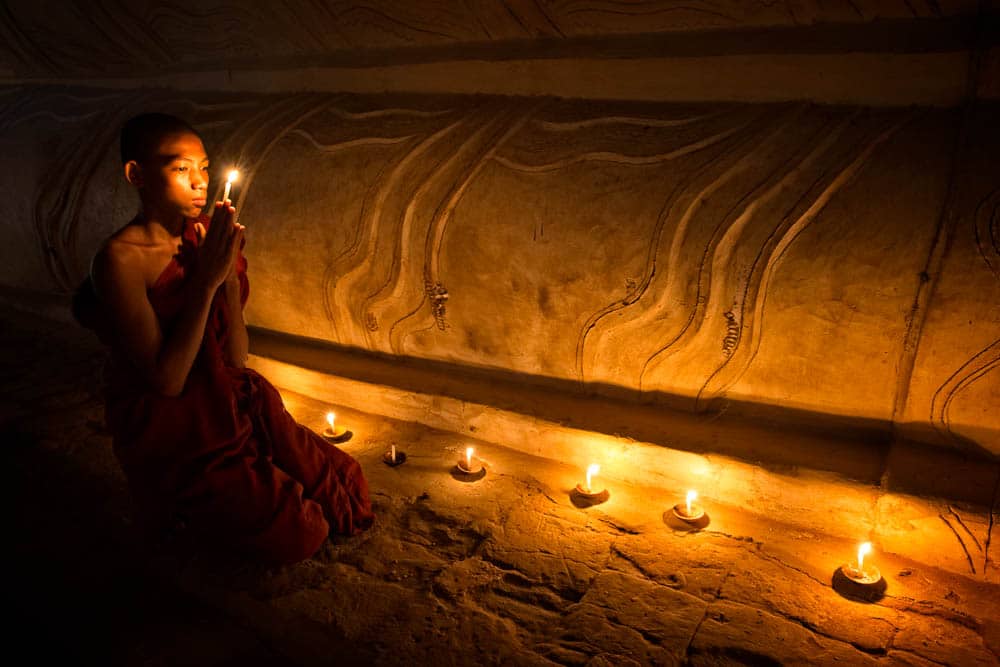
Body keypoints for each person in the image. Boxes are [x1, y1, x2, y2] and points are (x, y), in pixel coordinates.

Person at [73, 113, 374, 564]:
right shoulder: (120, 260)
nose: (199, 183)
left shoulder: (205, 241)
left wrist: (228, 279)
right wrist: (205, 283)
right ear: (136, 175)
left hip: (225, 395)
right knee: (299, 533)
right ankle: (179, 506)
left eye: (205, 168)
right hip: (169, 420)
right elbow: (168, 380)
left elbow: (235, 359)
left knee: (345, 485)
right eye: (180, 169)